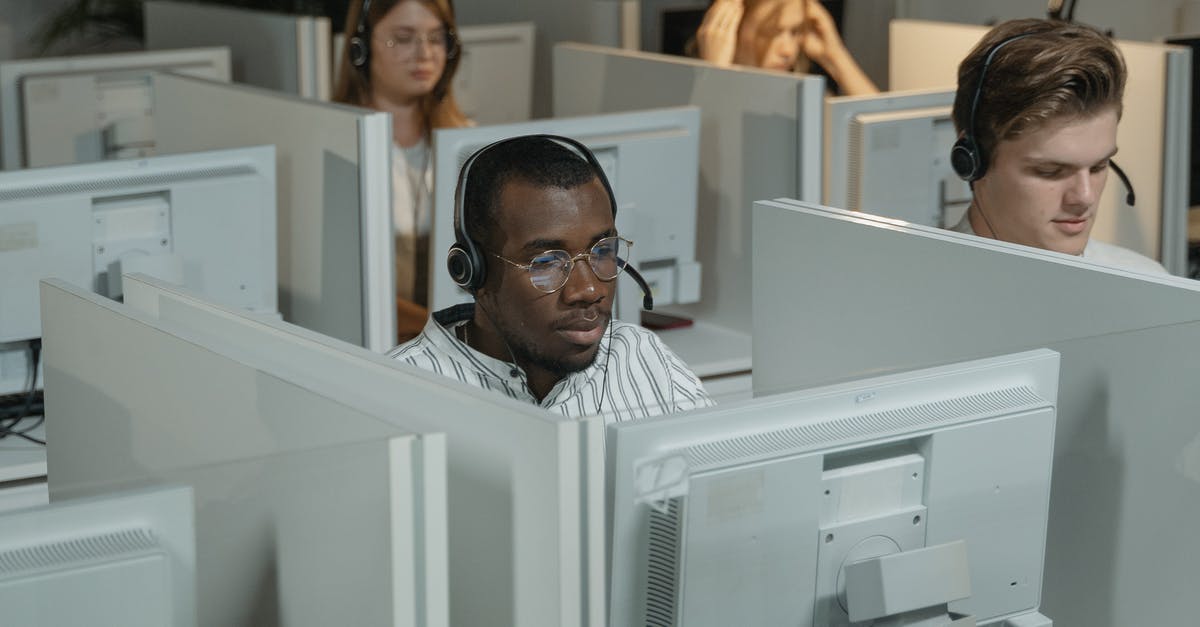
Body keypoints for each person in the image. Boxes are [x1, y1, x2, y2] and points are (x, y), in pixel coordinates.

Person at [388, 135, 714, 421]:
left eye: (602, 252)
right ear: (472, 271)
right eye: (547, 262)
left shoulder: (642, 358)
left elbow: (727, 482)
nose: (587, 289)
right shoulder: (395, 393)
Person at [948, 18, 1167, 275]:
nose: (1084, 197)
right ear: (972, 162)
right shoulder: (906, 298)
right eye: (1050, 171)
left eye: (1098, 167)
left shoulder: (1148, 281)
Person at [334, 0, 470, 334]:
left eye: (436, 38)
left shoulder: (466, 143)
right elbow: (344, 289)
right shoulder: (337, 146)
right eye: (404, 38)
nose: (424, 54)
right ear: (360, 49)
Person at [693, 0, 877, 95]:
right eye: (770, 32)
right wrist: (715, 73)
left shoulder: (803, 98)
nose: (788, 50)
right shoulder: (686, 97)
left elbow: (889, 138)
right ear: (728, 27)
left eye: (795, 31)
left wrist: (836, 57)